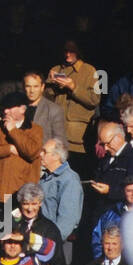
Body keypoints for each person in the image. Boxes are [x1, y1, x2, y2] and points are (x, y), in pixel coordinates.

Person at [45, 40, 100, 175]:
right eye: (65, 51)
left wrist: (73, 87)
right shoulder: (56, 70)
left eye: (72, 51)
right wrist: (52, 84)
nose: (68, 55)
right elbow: (44, 100)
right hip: (56, 136)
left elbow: (95, 99)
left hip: (78, 140)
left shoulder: (90, 71)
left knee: (76, 175)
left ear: (79, 52)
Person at [0, 92, 44, 197]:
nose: (5, 111)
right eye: (4, 108)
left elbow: (32, 151)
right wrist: (8, 149)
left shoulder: (35, 130)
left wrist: (13, 130)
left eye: (9, 108)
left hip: (24, 189)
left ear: (22, 109)